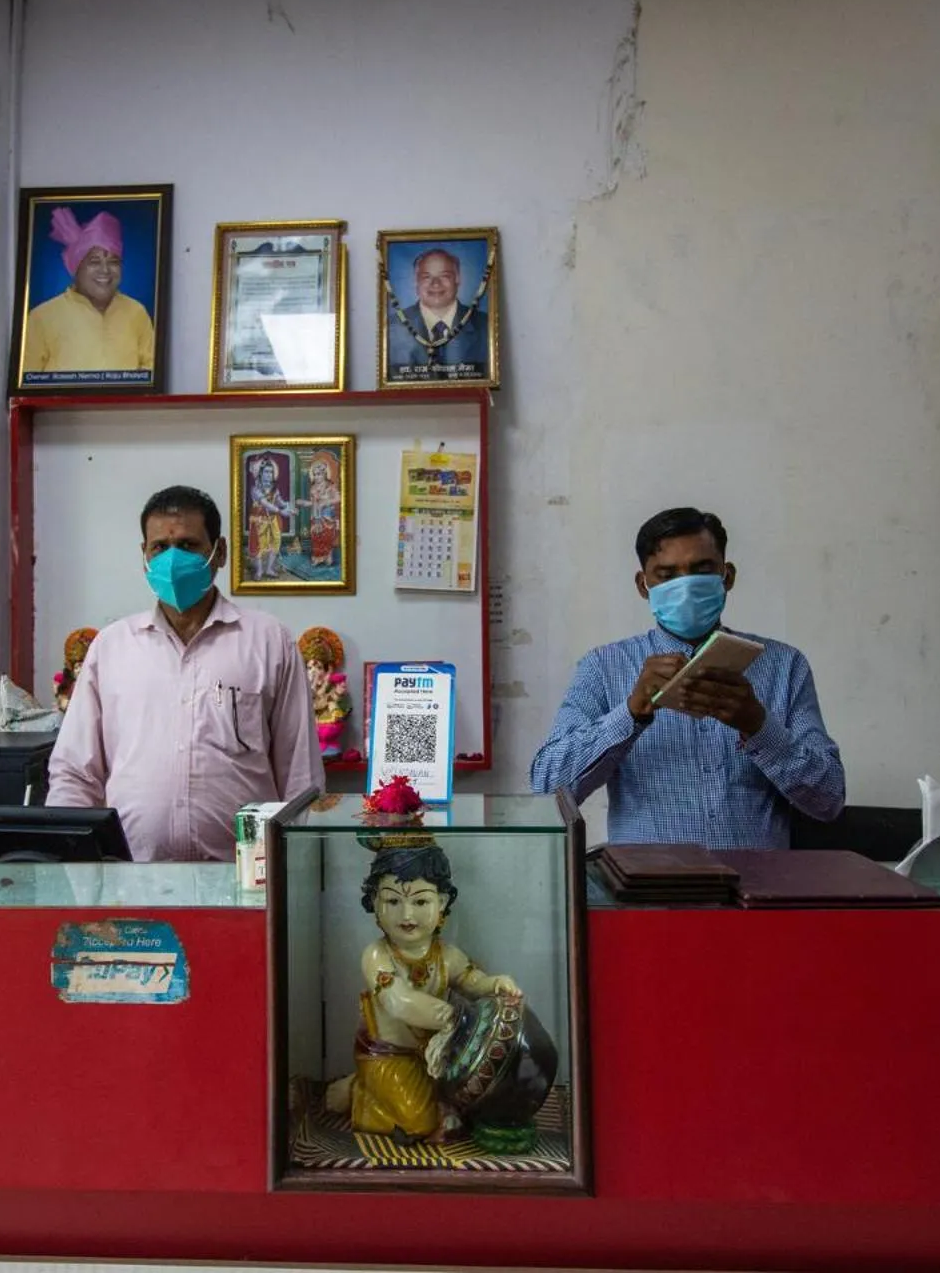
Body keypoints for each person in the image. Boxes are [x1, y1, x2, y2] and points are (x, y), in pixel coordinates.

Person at [529, 507, 844, 849]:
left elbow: (829, 800)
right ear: (643, 585)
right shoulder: (603, 667)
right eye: (666, 575)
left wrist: (758, 725)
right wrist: (630, 713)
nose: (684, 587)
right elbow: (547, 786)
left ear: (728, 576)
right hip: (650, 893)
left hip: (758, 893)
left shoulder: (784, 666)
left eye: (701, 570)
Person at [44, 485, 321, 861]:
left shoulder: (269, 641)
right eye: (159, 547)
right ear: (143, 555)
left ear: (219, 552)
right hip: (130, 879)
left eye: (188, 545)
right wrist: (71, 862)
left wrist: (299, 870)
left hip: (242, 876)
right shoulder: (112, 648)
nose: (172, 559)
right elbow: (75, 773)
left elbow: (300, 775)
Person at [324, 841, 520, 1142]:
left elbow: (472, 981)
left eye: (420, 902)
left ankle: (377, 1091)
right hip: (389, 1056)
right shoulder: (377, 956)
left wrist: (494, 984)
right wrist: (452, 1018)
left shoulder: (447, 955)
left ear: (441, 903)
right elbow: (399, 1001)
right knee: (421, 1125)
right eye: (392, 902)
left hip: (438, 1059)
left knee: (473, 1105)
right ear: (375, 902)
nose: (407, 915)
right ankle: (361, 1093)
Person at [20, 207, 155, 377]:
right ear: (76, 267)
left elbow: (151, 377)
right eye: (94, 261)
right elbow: (27, 384)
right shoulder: (42, 317)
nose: (105, 270)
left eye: (113, 261)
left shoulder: (137, 312)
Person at [385, 248, 489, 378]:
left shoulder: (486, 327)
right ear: (416, 282)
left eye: (444, 276)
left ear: (457, 279)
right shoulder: (391, 328)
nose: (435, 284)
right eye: (426, 277)